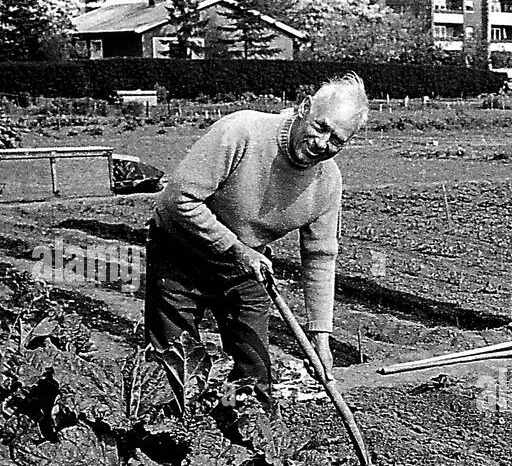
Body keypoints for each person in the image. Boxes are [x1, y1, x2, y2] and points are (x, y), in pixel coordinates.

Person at [145, 73, 370, 406]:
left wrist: (320, 338)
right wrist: (235, 248)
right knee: (173, 369)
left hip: (245, 268)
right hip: (181, 254)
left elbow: (321, 257)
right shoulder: (242, 132)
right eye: (321, 127)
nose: (323, 144)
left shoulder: (327, 182)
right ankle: (172, 443)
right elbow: (177, 199)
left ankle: (245, 446)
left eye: (337, 140)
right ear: (304, 108)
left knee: (255, 377)